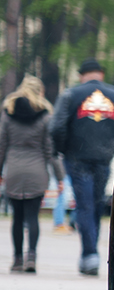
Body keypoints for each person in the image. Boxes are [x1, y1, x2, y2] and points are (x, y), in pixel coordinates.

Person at [50, 58, 114, 275]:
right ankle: (91, 253)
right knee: (96, 204)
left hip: (77, 157)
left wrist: (63, 149)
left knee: (84, 204)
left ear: (81, 75)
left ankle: (89, 255)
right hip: (103, 157)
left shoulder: (71, 95)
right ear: (101, 74)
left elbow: (57, 127)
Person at [0, 76, 63, 273]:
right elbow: (50, 150)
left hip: (14, 171)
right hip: (37, 171)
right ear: (39, 92)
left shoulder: (8, 113)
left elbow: (1, 146)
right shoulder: (45, 116)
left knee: (17, 217)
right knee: (32, 216)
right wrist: (60, 177)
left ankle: (17, 259)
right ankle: (31, 258)